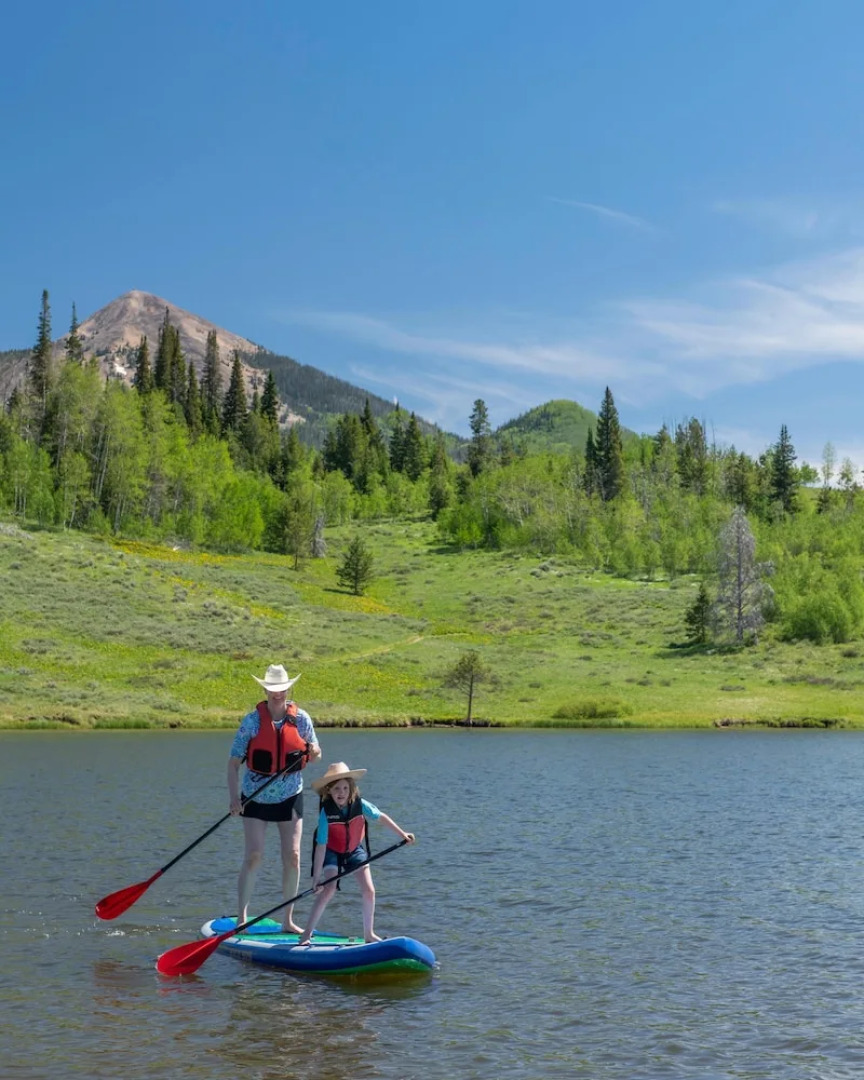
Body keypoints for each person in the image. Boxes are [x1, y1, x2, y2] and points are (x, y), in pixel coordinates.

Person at [228, 664, 321, 933]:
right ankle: (241, 918)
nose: (277, 694)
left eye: (281, 689)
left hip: (290, 796)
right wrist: (234, 798)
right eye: (272, 689)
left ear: (288, 689)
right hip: (255, 799)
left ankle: (288, 920)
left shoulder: (301, 719)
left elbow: (316, 755)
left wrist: (314, 751)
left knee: (292, 856)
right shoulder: (252, 722)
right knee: (254, 855)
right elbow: (233, 764)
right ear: (265, 689)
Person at [297, 761, 415, 945]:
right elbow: (320, 846)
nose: (341, 792)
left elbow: (381, 817)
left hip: (354, 850)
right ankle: (306, 934)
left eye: (345, 788)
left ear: (351, 789)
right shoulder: (326, 814)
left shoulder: (360, 804)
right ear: (329, 791)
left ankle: (369, 934)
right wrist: (316, 879)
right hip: (331, 851)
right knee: (329, 889)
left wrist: (403, 834)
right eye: (336, 789)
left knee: (369, 890)